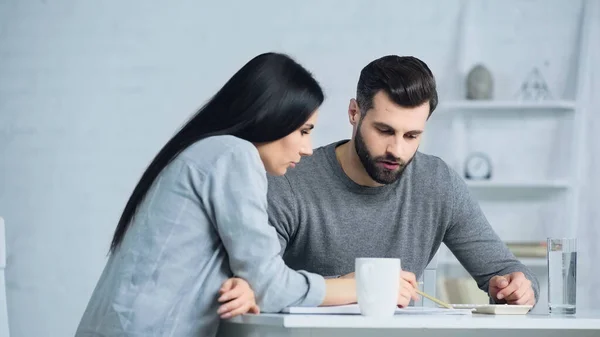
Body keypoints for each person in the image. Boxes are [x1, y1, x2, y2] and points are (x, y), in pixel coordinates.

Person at [74, 52, 377, 337]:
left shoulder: (203, 151)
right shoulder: (233, 155)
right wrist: (365, 287)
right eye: (304, 130)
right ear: (272, 115)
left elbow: (253, 279)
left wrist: (248, 285)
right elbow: (271, 285)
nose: (307, 148)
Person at [265, 55, 539, 308]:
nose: (396, 150)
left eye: (411, 136)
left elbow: (510, 272)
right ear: (354, 113)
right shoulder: (291, 179)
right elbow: (257, 285)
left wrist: (517, 288)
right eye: (384, 130)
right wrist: (351, 286)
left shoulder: (437, 183)